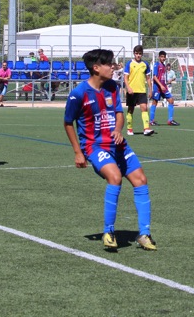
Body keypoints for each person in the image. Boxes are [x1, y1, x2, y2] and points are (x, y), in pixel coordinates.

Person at [63, 48, 156, 251]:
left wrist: (117, 129)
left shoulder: (112, 87)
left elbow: (118, 113)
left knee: (141, 180)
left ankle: (144, 234)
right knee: (114, 177)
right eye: (109, 64)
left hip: (118, 144)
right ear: (96, 68)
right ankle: (109, 232)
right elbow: (68, 122)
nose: (113, 67)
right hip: (95, 146)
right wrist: (78, 152)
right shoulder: (78, 94)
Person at [123, 45, 154, 136]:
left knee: (144, 108)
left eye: (140, 54)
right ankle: (129, 129)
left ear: (142, 54)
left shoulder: (145, 64)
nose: (138, 55)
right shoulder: (129, 63)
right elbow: (125, 77)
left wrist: (150, 90)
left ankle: (146, 129)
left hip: (142, 90)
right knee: (130, 109)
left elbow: (148, 78)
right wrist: (128, 87)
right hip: (132, 91)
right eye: (136, 53)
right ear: (134, 53)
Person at [149, 50, 179, 126]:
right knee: (154, 103)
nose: (163, 58)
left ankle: (170, 120)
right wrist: (161, 85)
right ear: (159, 57)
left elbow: (162, 77)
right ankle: (151, 120)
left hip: (164, 87)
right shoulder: (156, 64)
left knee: (171, 100)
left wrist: (165, 84)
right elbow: (154, 77)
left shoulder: (164, 66)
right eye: (161, 56)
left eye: (164, 57)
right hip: (157, 88)